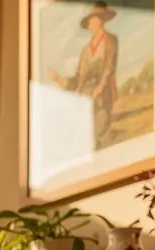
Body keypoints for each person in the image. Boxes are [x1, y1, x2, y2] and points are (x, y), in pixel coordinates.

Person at [49, 2, 118, 148]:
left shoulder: (110, 40)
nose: (89, 26)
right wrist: (59, 79)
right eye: (88, 23)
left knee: (98, 130)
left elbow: (109, 68)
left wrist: (99, 88)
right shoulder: (85, 51)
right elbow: (78, 79)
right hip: (85, 95)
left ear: (100, 20)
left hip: (101, 94)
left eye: (91, 22)